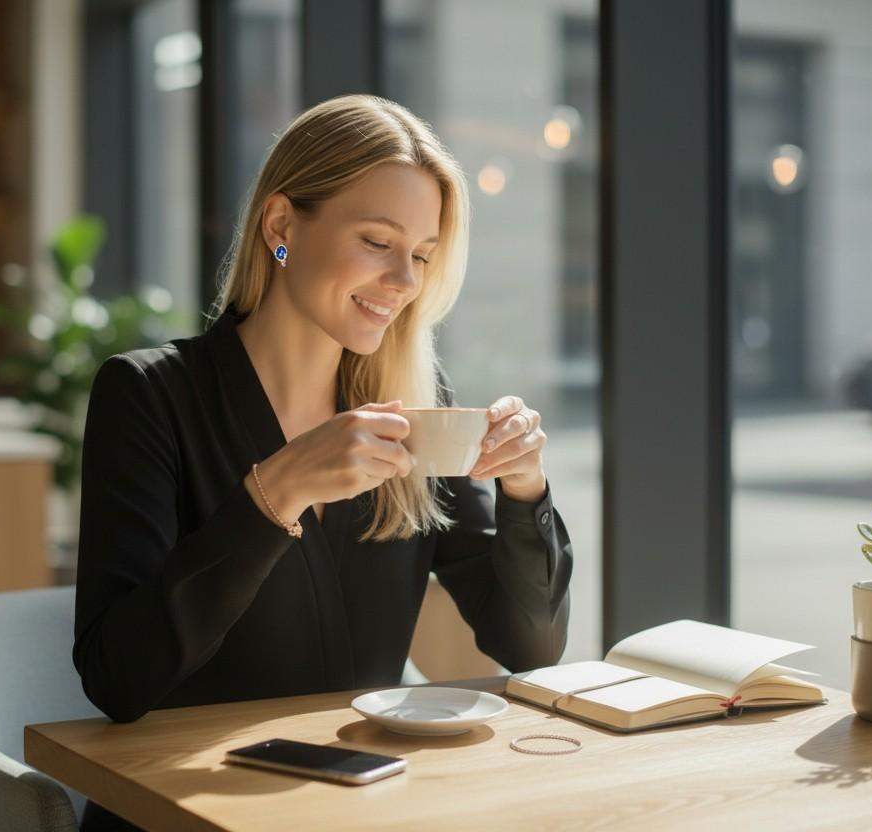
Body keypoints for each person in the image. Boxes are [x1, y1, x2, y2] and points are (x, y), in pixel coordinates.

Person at [73, 94, 572, 830]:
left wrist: (525, 490)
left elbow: (527, 645)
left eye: (422, 257)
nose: (404, 282)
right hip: (185, 809)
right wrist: (275, 494)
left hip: (359, 808)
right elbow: (118, 680)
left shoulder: (416, 407)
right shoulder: (149, 395)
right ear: (281, 226)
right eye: (377, 241)